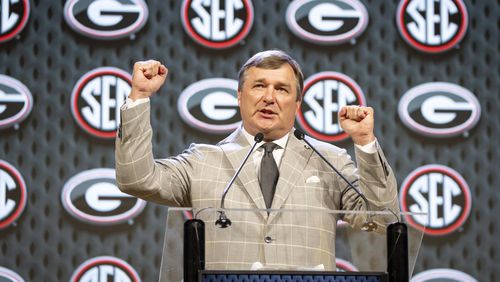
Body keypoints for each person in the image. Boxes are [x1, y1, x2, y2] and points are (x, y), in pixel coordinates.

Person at [115, 50, 399, 270]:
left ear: (297, 104)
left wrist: (364, 143)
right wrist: (139, 96)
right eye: (259, 86)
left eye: (282, 89)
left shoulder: (329, 160)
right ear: (240, 96)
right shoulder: (203, 161)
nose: (269, 97)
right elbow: (136, 178)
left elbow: (382, 219)